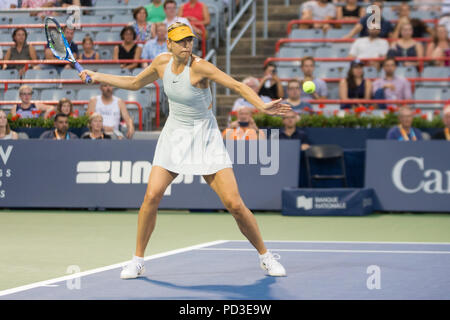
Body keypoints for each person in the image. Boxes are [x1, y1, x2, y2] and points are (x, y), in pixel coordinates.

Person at [79, 22, 290, 279]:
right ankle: (137, 260)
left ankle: (265, 256)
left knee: (234, 204)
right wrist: (98, 75)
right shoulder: (161, 63)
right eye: (180, 41)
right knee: (151, 196)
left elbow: (237, 86)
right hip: (175, 134)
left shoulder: (200, 67)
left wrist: (262, 105)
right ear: (169, 43)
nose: (186, 45)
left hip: (205, 136)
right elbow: (134, 82)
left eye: (189, 40)